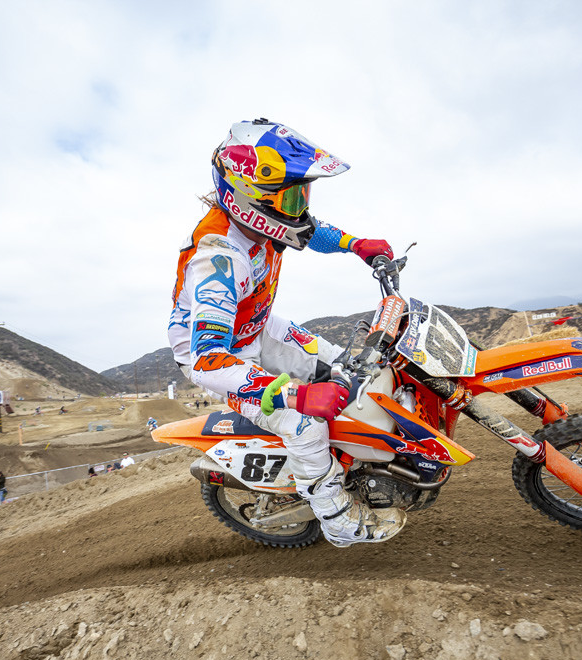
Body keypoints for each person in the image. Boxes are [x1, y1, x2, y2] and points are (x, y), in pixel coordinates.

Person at [166, 118, 405, 548]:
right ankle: (337, 520)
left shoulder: (263, 222)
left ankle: (362, 458)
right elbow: (207, 360)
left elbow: (310, 231)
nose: (300, 206)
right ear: (247, 196)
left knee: (346, 365)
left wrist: (355, 244)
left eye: (302, 194)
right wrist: (297, 394)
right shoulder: (218, 258)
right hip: (225, 356)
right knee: (303, 423)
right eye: (291, 196)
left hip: (258, 324)